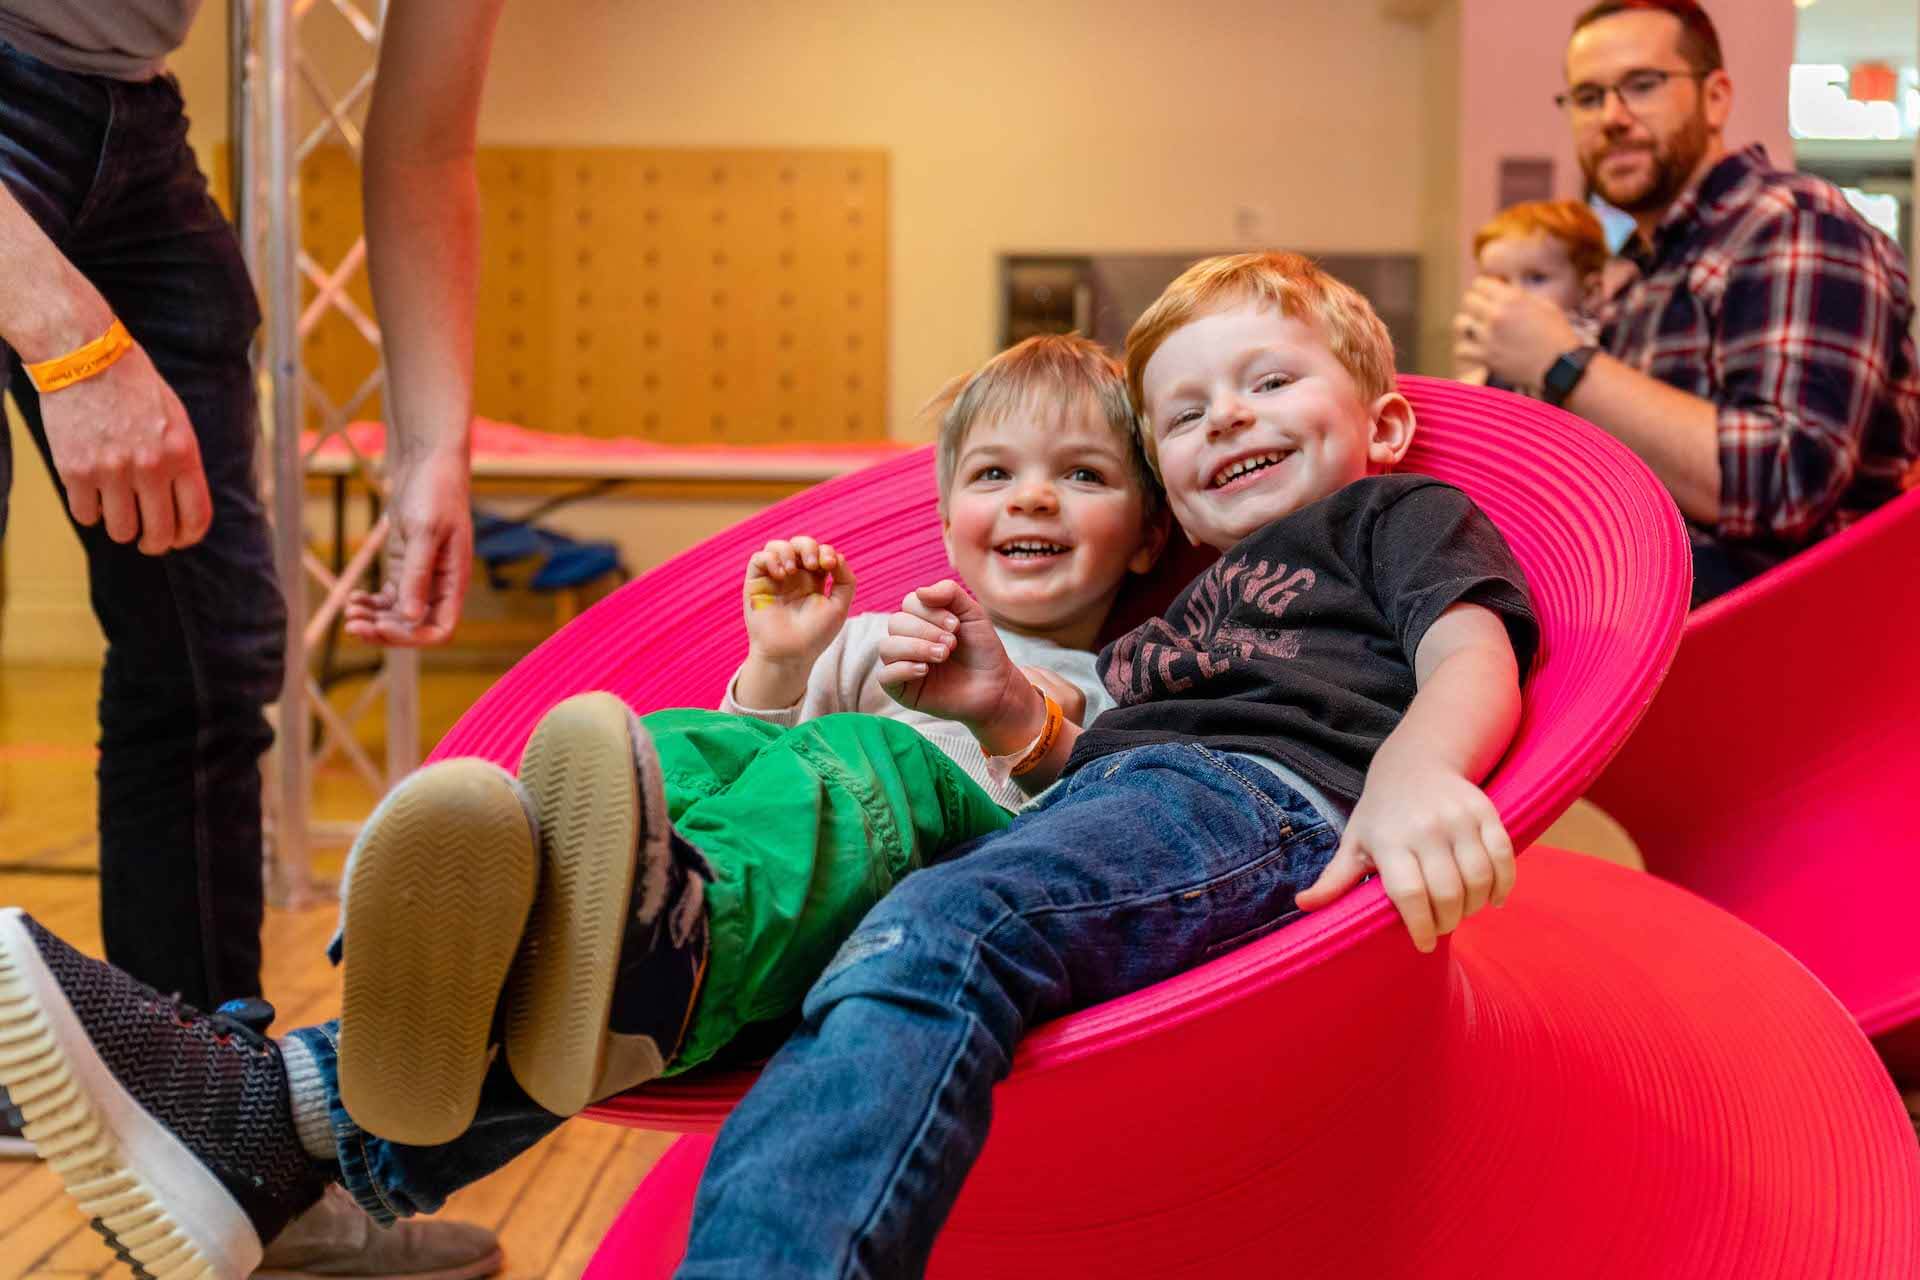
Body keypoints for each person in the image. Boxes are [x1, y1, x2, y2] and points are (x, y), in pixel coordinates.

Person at [0, 252, 1540, 1278]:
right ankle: (328, 1078)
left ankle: (360, 1071)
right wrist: (809, 671)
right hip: (1097, 812)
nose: (1230, 424)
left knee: (910, 883)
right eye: (1190, 414)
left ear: (1387, 420)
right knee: (732, 798)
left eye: (1269, 387)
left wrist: (1417, 772)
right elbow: (1064, 771)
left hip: (1237, 811)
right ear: (1177, 511)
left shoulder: (1380, 523)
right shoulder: (1174, 602)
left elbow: (1469, 640)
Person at [0, 0, 508, 1271]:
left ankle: (226, 1142)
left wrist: (438, 448)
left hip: (125, 123)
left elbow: (426, 145)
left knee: (211, 656)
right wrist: (68, 337)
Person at [1453, 0, 1920, 604]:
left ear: (1717, 96)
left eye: (1642, 86)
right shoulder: (1645, 269)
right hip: (1647, 622)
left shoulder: (1793, 223)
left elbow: (1785, 481)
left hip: (1781, 647)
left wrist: (1562, 360)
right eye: (1588, 97)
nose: (1612, 117)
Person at [1455, 199, 1608, 399]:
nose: (1513, 296)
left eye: (1536, 278)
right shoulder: (1496, 343)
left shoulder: (1592, 350)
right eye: (1500, 281)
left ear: (1589, 293)